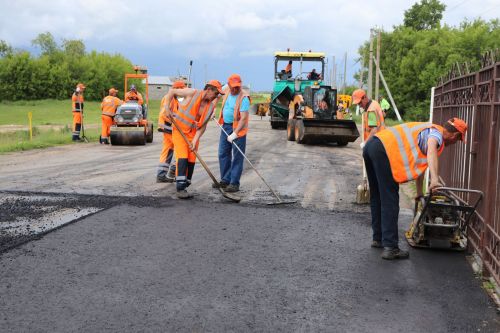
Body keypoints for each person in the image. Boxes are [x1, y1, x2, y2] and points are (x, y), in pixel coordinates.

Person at [363, 117, 468, 260]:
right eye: (458, 140)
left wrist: (419, 192)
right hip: (384, 152)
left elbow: (421, 167)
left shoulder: (428, 128)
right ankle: (390, 247)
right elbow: (431, 151)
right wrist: (435, 179)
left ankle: (378, 238)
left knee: (377, 196)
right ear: (455, 136)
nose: (455, 143)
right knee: (390, 200)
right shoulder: (436, 135)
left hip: (372, 146)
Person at [163, 79, 224, 199]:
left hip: (193, 134)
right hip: (179, 130)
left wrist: (195, 139)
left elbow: (203, 126)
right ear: (209, 89)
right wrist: (167, 108)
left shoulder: (210, 107)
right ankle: (180, 188)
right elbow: (171, 92)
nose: (216, 96)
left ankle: (186, 183)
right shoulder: (192, 92)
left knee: (191, 159)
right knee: (182, 157)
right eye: (216, 93)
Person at [214, 74, 251, 193]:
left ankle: (234, 183)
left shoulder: (244, 97)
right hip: (225, 126)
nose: (235, 89)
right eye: (233, 86)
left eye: (237, 86)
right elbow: (216, 96)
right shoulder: (226, 90)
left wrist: (235, 133)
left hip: (238, 130)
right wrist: (213, 108)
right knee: (222, 153)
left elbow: (244, 118)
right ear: (229, 85)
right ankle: (225, 180)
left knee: (237, 156)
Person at [156, 81, 186, 183]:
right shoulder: (169, 98)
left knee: (168, 150)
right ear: (178, 89)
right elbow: (165, 114)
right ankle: (172, 171)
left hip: (169, 128)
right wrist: (176, 122)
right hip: (168, 127)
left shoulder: (174, 98)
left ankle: (162, 174)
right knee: (176, 149)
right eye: (182, 89)